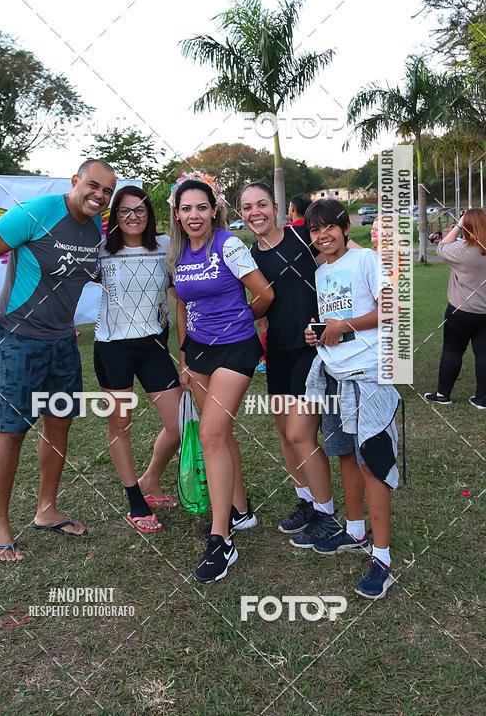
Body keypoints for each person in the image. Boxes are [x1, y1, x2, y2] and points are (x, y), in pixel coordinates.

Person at [0, 159, 116, 562]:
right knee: (12, 432)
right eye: (93, 185)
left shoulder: (97, 228)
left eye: (107, 191)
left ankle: (46, 510)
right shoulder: (36, 211)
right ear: (75, 181)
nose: (99, 195)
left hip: (63, 344)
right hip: (19, 341)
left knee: (58, 428)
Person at [241, 183, 366, 552]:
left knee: (300, 434)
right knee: (284, 432)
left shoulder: (303, 238)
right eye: (247, 207)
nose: (255, 213)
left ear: (276, 207)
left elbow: (350, 257)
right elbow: (260, 305)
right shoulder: (249, 256)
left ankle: (327, 515)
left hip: (312, 351)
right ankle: (307, 501)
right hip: (277, 352)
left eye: (261, 204)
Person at [167, 172, 274, 582]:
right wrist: (183, 355)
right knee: (222, 434)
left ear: (214, 211)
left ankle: (221, 539)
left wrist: (238, 322)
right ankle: (241, 510)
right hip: (198, 353)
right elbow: (180, 305)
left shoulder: (228, 245)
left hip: (235, 350)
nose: (194, 215)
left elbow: (265, 294)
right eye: (186, 208)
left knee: (211, 435)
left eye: (201, 207)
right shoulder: (178, 257)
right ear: (177, 216)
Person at [304, 198, 401, 599]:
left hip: (367, 376)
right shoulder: (320, 270)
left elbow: (390, 308)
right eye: (314, 230)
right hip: (333, 374)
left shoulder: (366, 260)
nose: (322, 235)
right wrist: (319, 332)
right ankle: (355, 531)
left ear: (346, 228)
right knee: (344, 453)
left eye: (329, 227)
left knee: (372, 463)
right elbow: (332, 322)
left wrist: (345, 324)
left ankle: (383, 558)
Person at [94, 185, 182, 533]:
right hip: (112, 347)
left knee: (180, 424)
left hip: (154, 346)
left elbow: (182, 293)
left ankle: (150, 480)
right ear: (115, 216)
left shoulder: (166, 248)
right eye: (125, 211)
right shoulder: (100, 252)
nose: (132, 217)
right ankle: (135, 499)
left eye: (140, 211)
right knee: (120, 425)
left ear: (149, 215)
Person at [424, 209, 486, 409]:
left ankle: (443, 394)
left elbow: (441, 247)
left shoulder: (462, 250)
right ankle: (482, 399)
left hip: (460, 310)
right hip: (484, 313)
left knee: (452, 351)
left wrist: (459, 225)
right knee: (483, 355)